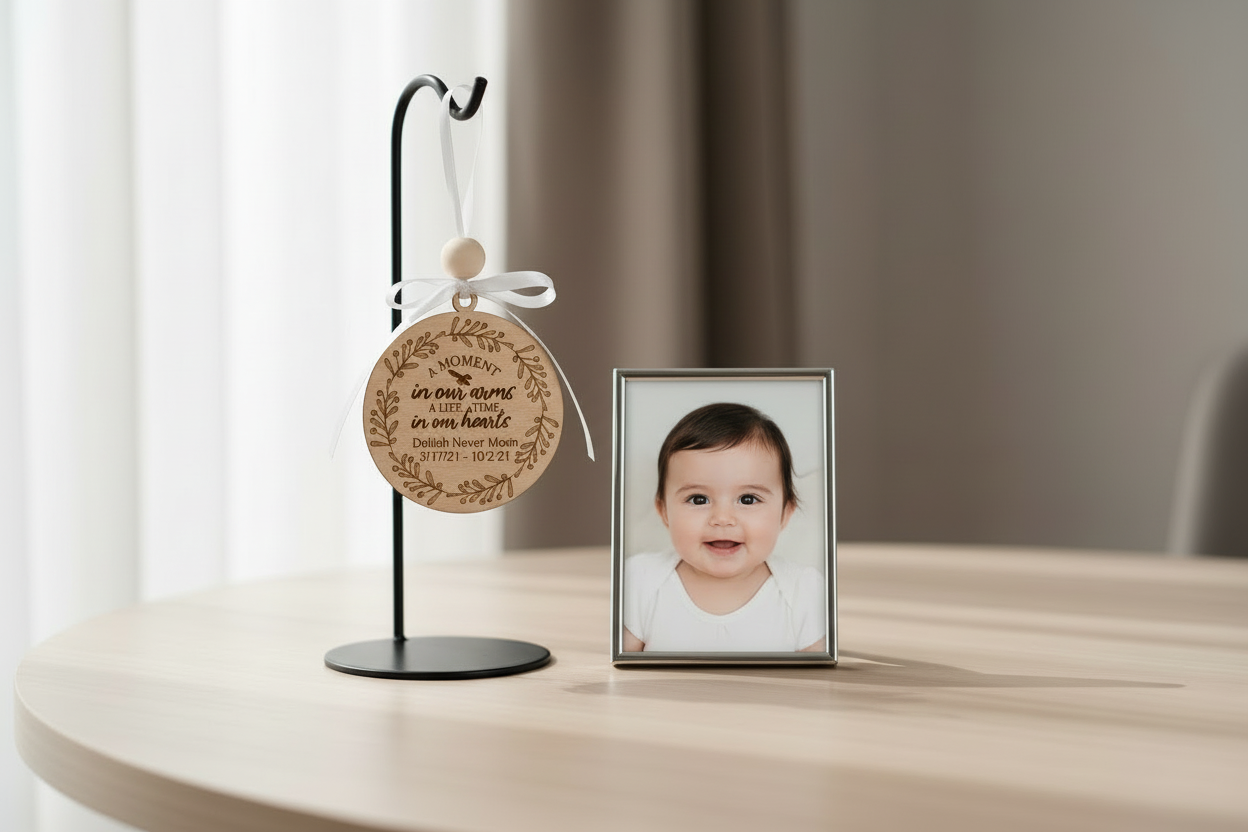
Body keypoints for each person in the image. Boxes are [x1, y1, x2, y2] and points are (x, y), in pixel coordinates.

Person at [622, 402, 826, 653]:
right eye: (698, 499)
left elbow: (820, 684)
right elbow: (618, 675)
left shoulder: (802, 591)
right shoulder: (640, 580)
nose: (722, 518)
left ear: (785, 514)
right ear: (664, 511)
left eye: (748, 499)